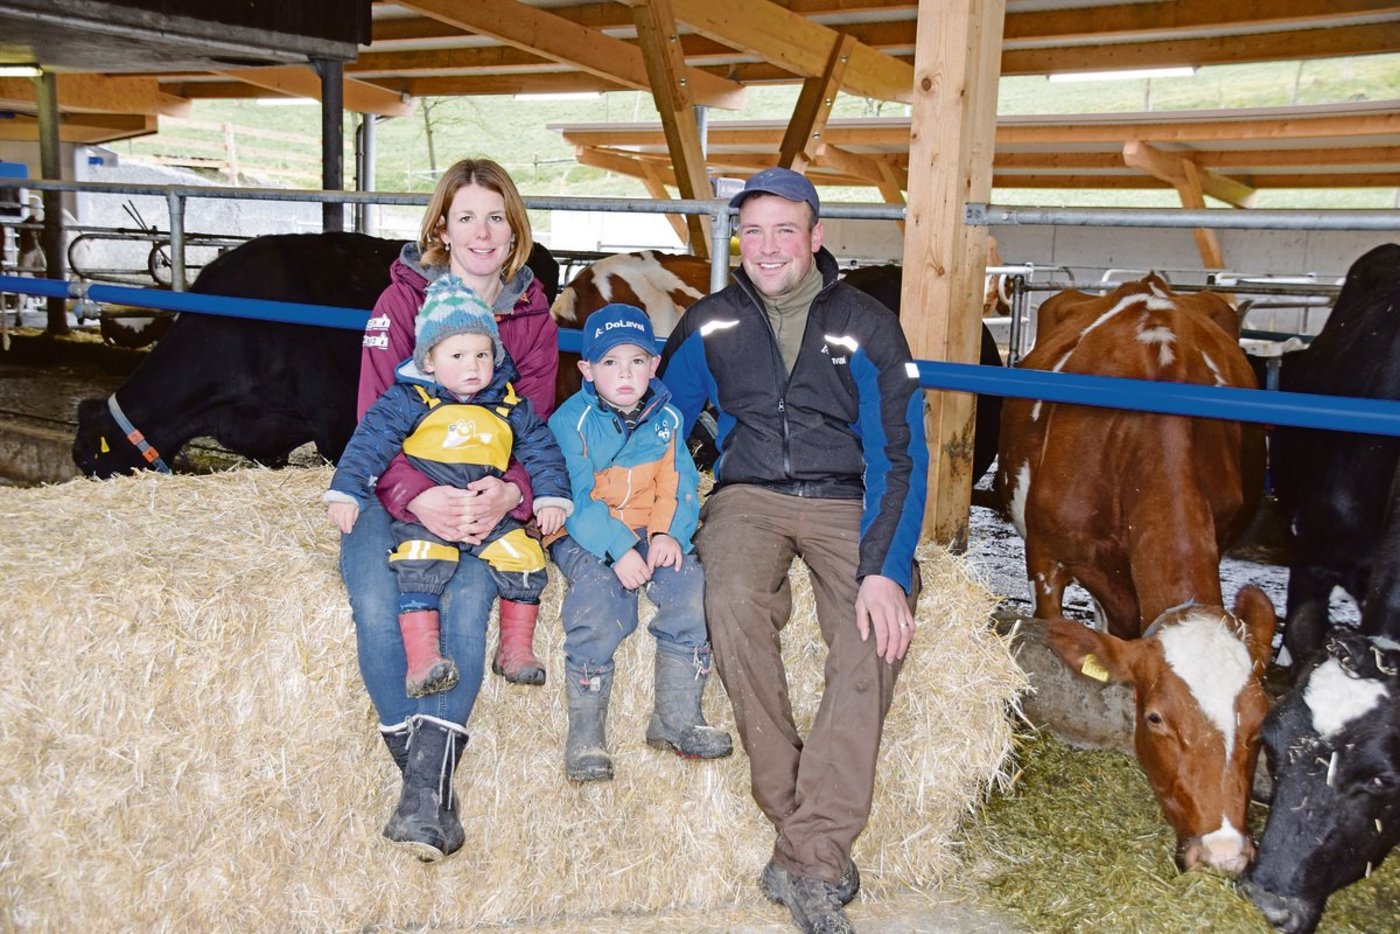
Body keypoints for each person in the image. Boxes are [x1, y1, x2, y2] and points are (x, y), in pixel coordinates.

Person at [658, 167, 928, 934]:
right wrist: (650, 518)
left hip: (846, 498)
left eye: (785, 230)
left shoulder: (868, 324)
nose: (768, 246)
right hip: (747, 495)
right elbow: (659, 426)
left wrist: (885, 570)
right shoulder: (710, 323)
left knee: (872, 634)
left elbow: (900, 454)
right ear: (738, 239)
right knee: (729, 601)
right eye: (753, 231)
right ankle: (796, 817)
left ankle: (809, 857)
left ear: (815, 237)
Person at [339, 157, 558, 861]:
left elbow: (534, 428)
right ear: (441, 227)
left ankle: (420, 800)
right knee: (377, 595)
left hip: (483, 492)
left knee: (466, 596)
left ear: (515, 229)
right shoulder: (399, 303)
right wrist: (417, 494)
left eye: (496, 217)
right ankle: (428, 792)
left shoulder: (533, 316)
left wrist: (513, 492)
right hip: (394, 483)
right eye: (466, 217)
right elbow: (374, 423)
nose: (482, 233)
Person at [328, 275, 571, 699]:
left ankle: (515, 649)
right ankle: (423, 660)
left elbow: (542, 450)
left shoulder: (510, 404)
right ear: (429, 360)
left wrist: (550, 496)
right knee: (420, 562)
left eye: (482, 354)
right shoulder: (408, 400)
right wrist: (346, 491)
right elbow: (369, 443)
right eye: (457, 355)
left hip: (488, 515)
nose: (472, 366)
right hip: (430, 513)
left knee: (526, 557)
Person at [546, 303, 732, 782]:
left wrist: (669, 533)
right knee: (597, 599)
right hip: (587, 534)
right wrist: (618, 549)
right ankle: (586, 736)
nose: (625, 374)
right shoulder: (570, 422)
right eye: (610, 362)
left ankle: (676, 717)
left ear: (654, 365)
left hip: (649, 528)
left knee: (689, 587)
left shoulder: (668, 419)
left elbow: (679, 483)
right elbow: (576, 497)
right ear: (587, 370)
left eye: (636, 361)